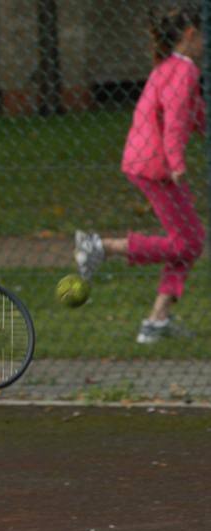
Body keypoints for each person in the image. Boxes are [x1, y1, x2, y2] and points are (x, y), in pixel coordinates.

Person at [75, 6, 205, 344]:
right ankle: (102, 246)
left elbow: (194, 111)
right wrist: (177, 162)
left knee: (189, 242)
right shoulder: (184, 71)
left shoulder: (171, 67)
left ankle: (157, 320)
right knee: (188, 242)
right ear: (191, 35)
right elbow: (176, 117)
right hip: (156, 166)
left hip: (145, 161)